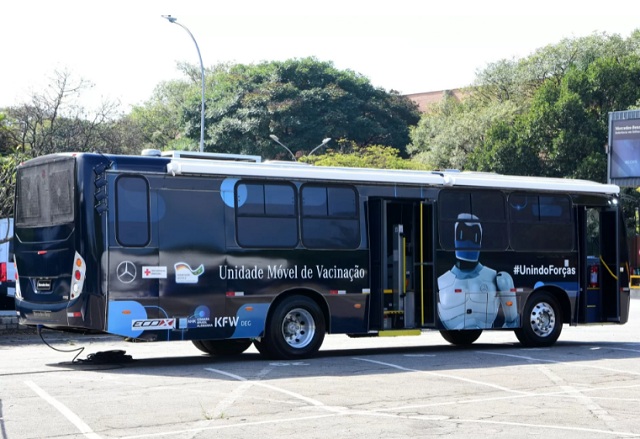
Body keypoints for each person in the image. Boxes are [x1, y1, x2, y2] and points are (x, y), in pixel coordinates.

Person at [437, 213, 519, 330]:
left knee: (505, 280)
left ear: (479, 239)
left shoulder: (494, 276)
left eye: (473, 235)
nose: (468, 242)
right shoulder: (441, 280)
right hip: (452, 328)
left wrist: (511, 322)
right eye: (463, 234)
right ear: (456, 237)